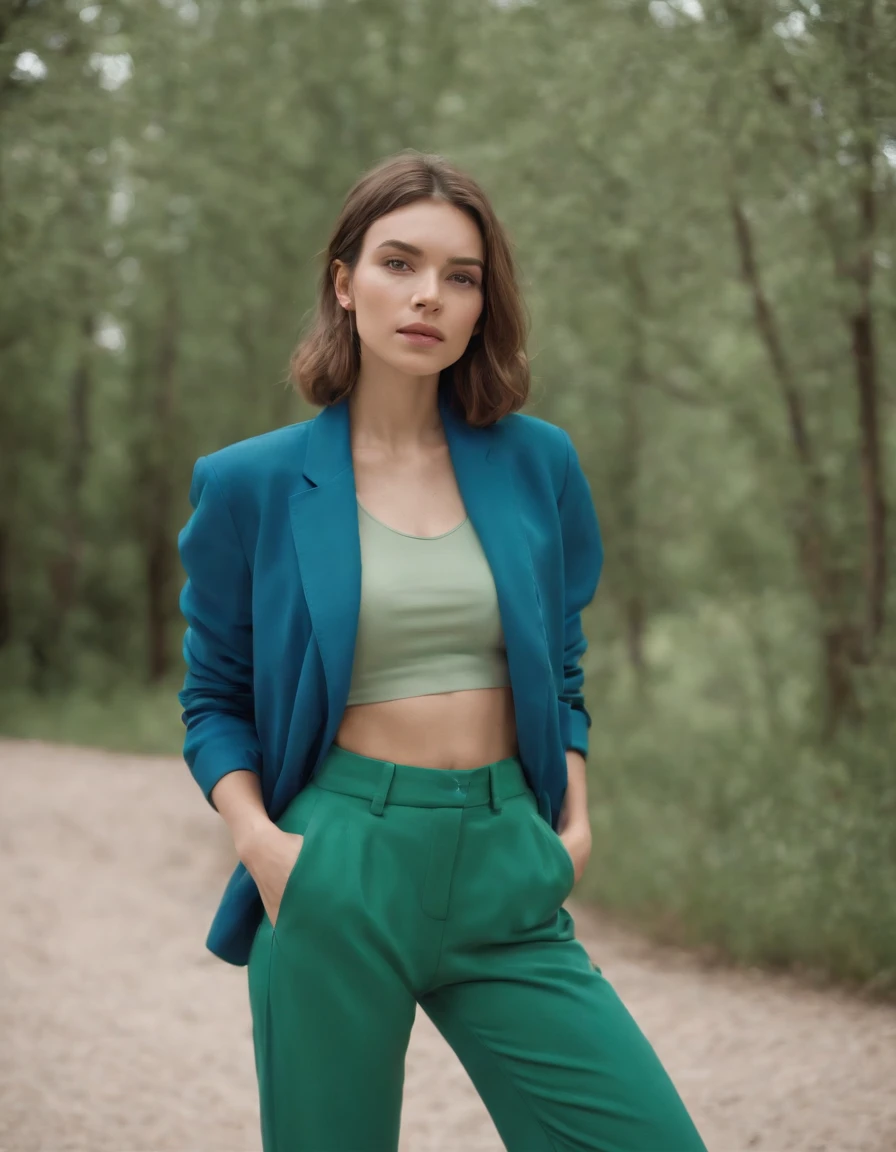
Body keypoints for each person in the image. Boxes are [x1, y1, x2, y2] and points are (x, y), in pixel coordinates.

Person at [177, 150, 706, 1152]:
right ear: (343, 282)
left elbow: (556, 664)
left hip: (507, 856)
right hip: (336, 864)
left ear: (481, 301)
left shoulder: (536, 463)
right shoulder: (251, 483)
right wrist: (261, 843)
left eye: (459, 276)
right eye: (397, 263)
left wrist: (573, 824)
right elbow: (215, 697)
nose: (428, 296)